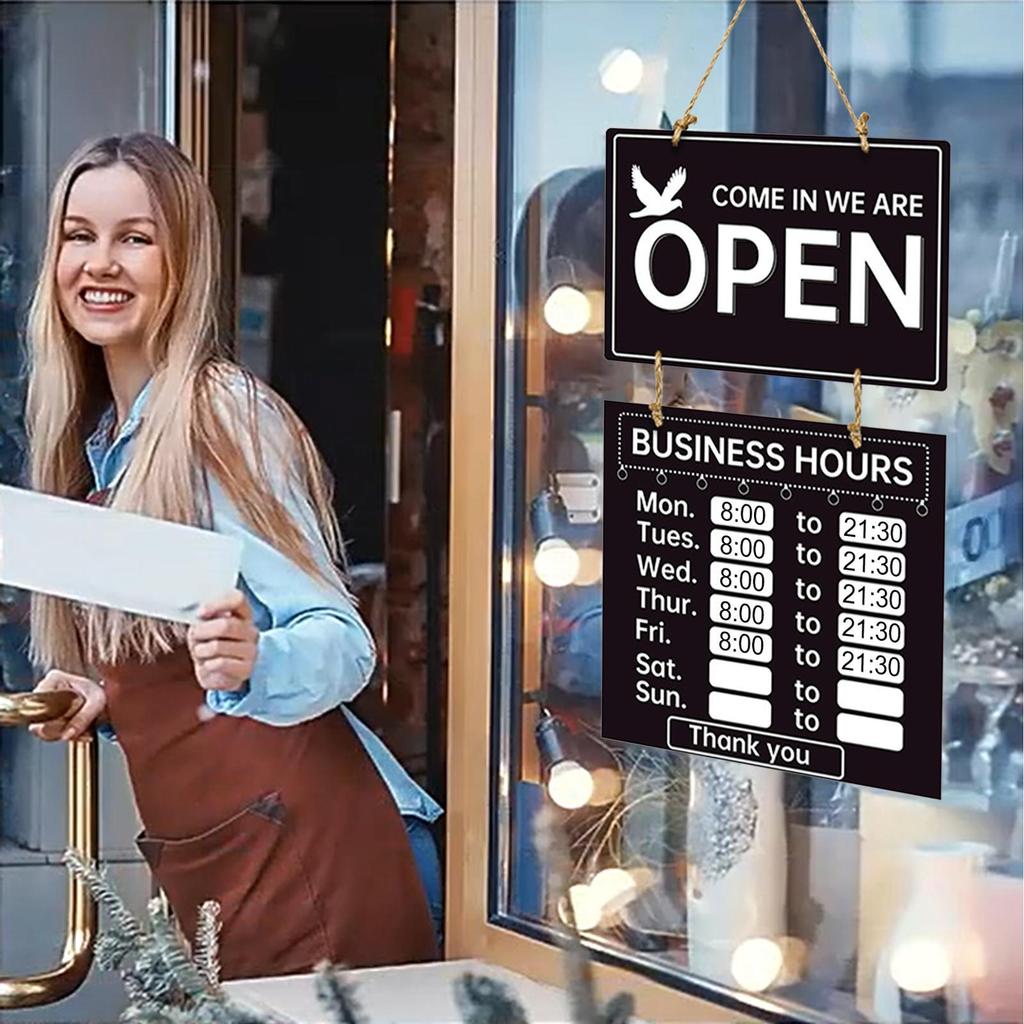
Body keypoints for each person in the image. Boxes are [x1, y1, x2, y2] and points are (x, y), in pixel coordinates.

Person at [23, 132, 443, 979]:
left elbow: (342, 642)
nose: (100, 263)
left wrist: (258, 659)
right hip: (232, 863)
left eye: (135, 238)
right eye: (79, 235)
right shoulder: (100, 444)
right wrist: (112, 695)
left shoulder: (224, 417)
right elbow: (188, 659)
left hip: (327, 855)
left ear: (183, 262)